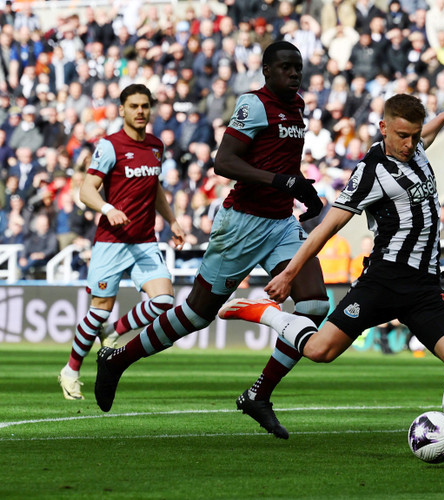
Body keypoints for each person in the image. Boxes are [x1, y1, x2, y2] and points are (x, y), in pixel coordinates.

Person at [218, 94, 444, 467]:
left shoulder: (415, 148)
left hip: (423, 287)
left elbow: (427, 133)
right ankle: (268, 313)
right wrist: (290, 273)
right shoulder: (371, 171)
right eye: (402, 135)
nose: (410, 144)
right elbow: (330, 225)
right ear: (383, 128)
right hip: (383, 281)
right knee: (321, 351)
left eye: (415, 136)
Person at [92, 43, 328, 443]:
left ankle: (259, 394)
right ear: (267, 70)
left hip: (281, 224)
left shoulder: (298, 106)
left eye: (298, 68)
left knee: (315, 304)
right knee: (197, 314)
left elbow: (280, 163)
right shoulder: (254, 104)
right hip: (241, 225)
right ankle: (118, 359)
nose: (294, 74)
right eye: (285, 67)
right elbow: (224, 162)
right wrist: (281, 181)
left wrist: (302, 189)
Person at [58, 84, 185, 401]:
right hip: (111, 241)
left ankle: (114, 332)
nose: (140, 111)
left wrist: (173, 220)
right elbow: (87, 190)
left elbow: (153, 187)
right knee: (97, 312)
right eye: (134, 106)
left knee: (163, 301)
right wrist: (107, 208)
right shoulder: (110, 145)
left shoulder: (156, 146)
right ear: (122, 109)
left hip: (144, 240)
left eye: (145, 106)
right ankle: (71, 370)